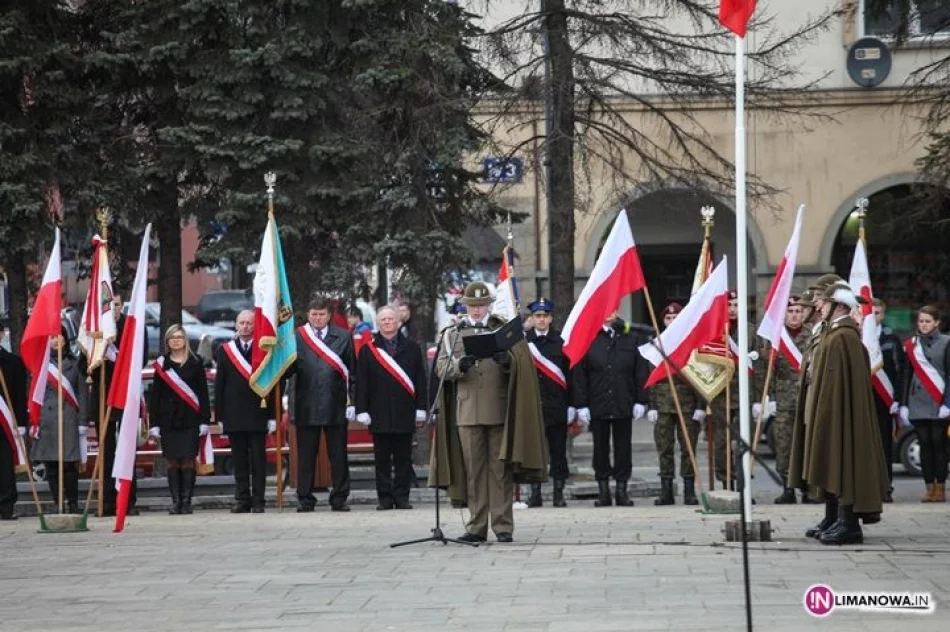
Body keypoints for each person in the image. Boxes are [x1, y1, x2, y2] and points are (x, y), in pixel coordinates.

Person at [432, 281, 545, 543]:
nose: (477, 310)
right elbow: (440, 369)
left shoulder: (504, 330)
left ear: (489, 305)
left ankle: (503, 526)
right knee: (474, 472)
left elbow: (523, 366)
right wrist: (459, 365)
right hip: (468, 411)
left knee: (500, 471)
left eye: (482, 305)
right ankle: (476, 527)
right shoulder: (452, 333)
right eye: (472, 305)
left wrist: (509, 363)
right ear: (465, 306)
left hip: (499, 408)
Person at [790, 281, 888, 545]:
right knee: (831, 460)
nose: (818, 306)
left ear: (840, 305)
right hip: (828, 409)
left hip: (840, 413)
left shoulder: (845, 336)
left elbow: (847, 385)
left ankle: (848, 523)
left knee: (843, 461)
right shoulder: (832, 333)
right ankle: (835, 517)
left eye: (824, 302)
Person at [574, 310, 650, 507]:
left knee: (623, 448)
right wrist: (581, 404)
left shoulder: (631, 337)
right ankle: (603, 491)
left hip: (623, 400)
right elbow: (580, 374)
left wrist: (641, 400)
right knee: (600, 449)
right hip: (598, 402)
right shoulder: (589, 337)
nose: (608, 314)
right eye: (604, 309)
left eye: (612, 309)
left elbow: (640, 371)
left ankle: (622, 491)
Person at [355, 306, 427, 510]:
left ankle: (402, 497)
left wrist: (420, 408)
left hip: (405, 411)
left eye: (390, 319)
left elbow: (420, 380)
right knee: (382, 459)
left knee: (404, 458)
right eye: (383, 320)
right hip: (379, 412)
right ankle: (385, 499)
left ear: (398, 322)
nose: (387, 322)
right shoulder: (369, 350)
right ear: (378, 324)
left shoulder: (412, 347)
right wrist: (362, 409)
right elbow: (362, 382)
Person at [288, 296, 355, 513]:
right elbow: (288, 371)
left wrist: (352, 401)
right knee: (306, 456)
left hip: (335, 404)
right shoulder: (297, 336)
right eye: (314, 314)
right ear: (308, 315)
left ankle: (339, 498)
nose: (318, 318)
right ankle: (305, 498)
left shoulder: (343, 337)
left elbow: (351, 372)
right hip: (305, 404)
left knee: (338, 455)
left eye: (322, 314)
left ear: (329, 316)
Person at [88, 293, 148, 516]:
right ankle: (105, 502)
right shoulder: (96, 328)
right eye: (109, 305)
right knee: (106, 452)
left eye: (118, 305)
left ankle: (127, 501)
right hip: (103, 397)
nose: (114, 309)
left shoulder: (132, 326)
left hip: (125, 394)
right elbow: (88, 363)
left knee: (126, 450)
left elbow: (139, 361)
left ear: (122, 306)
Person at [214, 310, 276, 514]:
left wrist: (273, 416)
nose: (246, 326)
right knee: (239, 461)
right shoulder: (224, 351)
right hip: (234, 414)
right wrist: (220, 416)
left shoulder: (264, 349)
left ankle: (259, 500)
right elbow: (220, 385)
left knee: (258, 461)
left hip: (259, 412)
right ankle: (242, 499)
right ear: (236, 325)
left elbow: (273, 383)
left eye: (249, 323)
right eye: (242, 322)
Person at [148, 324, 211, 515]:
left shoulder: (195, 362)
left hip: (190, 419)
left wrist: (204, 420)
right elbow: (155, 395)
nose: (176, 340)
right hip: (169, 420)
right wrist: (154, 423)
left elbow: (203, 392)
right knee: (173, 461)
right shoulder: (162, 364)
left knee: (188, 461)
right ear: (167, 341)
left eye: (179, 337)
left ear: (185, 340)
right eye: (172, 337)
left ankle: (187, 501)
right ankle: (176, 502)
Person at [647, 303, 704, 506]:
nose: (671, 321)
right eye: (668, 318)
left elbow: (700, 376)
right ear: (663, 321)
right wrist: (651, 405)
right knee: (664, 448)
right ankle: (666, 491)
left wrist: (700, 405)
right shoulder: (656, 344)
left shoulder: (691, 343)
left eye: (675, 317)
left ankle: (689, 491)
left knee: (689, 448)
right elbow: (650, 378)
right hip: (662, 405)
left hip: (687, 404)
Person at [30, 330, 87, 514]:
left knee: (70, 465)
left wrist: (83, 421)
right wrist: (33, 420)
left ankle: (72, 502)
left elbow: (83, 395)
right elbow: (34, 395)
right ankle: (58, 502)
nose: (55, 341)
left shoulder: (76, 364)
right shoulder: (41, 365)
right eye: (51, 338)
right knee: (52, 466)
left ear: (65, 339)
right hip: (47, 421)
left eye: (58, 336)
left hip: (69, 418)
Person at [524, 298, 572, 508]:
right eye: (537, 316)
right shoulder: (523, 343)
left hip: (556, 405)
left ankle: (558, 493)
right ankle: (535, 493)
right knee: (534, 452)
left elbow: (571, 375)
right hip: (532, 406)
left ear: (551, 318)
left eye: (545, 316)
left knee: (558, 451)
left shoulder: (561, 342)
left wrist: (573, 404)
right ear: (532, 319)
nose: (541, 320)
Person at [900, 305, 950, 503]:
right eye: (921, 321)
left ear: (937, 322)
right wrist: (903, 403)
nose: (924, 324)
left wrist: (948, 402)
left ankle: (941, 488)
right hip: (917, 401)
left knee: (939, 445)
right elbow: (906, 375)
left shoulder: (947, 343)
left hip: (939, 401)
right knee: (924, 445)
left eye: (928, 321)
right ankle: (929, 487)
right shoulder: (912, 345)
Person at [771, 296, 810, 504]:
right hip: (784, 400)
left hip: (807, 398)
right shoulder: (777, 336)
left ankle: (808, 489)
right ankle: (787, 488)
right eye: (790, 311)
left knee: (806, 444)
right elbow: (766, 371)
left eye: (798, 311)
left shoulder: (812, 335)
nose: (794, 315)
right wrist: (767, 398)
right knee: (784, 444)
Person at [871, 298, 906, 502]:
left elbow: (900, 370)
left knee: (884, 444)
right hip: (864, 399)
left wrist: (898, 400)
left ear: (882, 315)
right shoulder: (858, 336)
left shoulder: (890, 337)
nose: (873, 316)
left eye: (877, 313)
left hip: (885, 399)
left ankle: (886, 487)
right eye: (871, 312)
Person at [0, 331, 29, 520]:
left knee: (4, 464)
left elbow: (19, 396)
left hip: (5, 421)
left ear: (2, 334)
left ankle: (6, 505)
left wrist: (20, 422)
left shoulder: (13, 362)